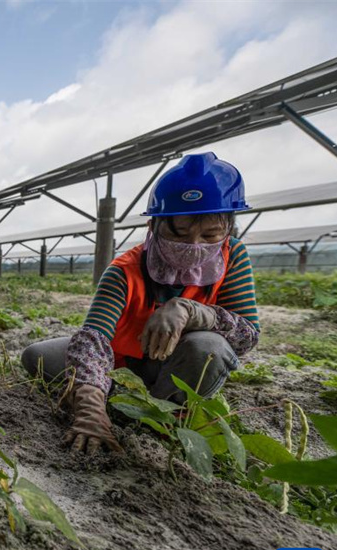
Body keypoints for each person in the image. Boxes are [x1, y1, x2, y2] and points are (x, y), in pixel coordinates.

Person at [21, 152, 260, 455]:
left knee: (209, 349)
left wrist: (192, 311)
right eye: (180, 232)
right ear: (154, 225)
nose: (194, 245)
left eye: (210, 234)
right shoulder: (124, 271)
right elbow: (93, 338)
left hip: (179, 365)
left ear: (228, 230)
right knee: (37, 356)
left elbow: (247, 334)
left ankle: (159, 418)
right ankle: (109, 398)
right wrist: (90, 407)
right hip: (121, 363)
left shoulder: (233, 258)